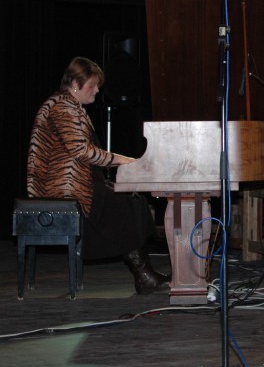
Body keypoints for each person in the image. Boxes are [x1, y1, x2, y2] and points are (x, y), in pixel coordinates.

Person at [26, 57, 169, 295]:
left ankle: (144, 274)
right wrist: (124, 160)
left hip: (77, 183)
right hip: (62, 188)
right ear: (75, 83)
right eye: (92, 85)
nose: (96, 90)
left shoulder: (70, 106)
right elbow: (81, 151)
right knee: (121, 203)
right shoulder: (62, 107)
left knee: (131, 199)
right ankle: (144, 276)